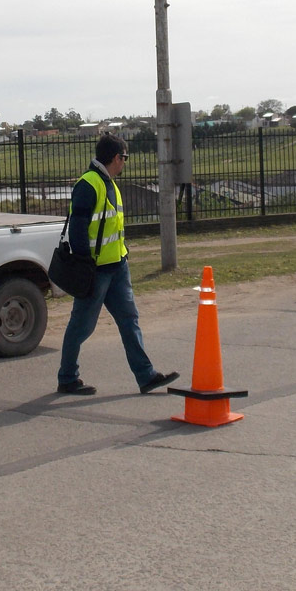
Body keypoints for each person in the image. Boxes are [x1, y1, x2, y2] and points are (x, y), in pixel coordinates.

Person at [57, 133, 178, 396]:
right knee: (82, 326)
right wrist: (84, 264)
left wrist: (122, 256)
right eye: (124, 157)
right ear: (115, 157)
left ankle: (146, 376)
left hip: (117, 267)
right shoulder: (89, 184)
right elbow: (77, 228)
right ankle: (67, 378)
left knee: (129, 320)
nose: (125, 163)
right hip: (96, 270)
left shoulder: (109, 183)